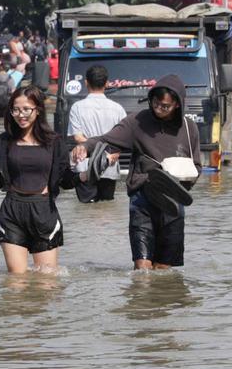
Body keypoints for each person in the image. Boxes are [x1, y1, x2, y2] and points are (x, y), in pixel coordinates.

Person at [71, 75, 202, 270]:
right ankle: (140, 297)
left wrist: (185, 180)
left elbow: (197, 166)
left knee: (164, 270)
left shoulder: (189, 128)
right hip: (143, 199)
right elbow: (107, 140)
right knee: (142, 267)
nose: (159, 108)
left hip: (173, 202)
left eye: (165, 106)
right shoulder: (137, 122)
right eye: (156, 103)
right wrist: (85, 147)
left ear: (177, 105)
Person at [0, 86, 76, 273]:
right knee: (16, 281)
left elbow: (66, 181)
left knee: (46, 281)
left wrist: (84, 172)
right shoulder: (4, 141)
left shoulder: (55, 142)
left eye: (26, 109)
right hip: (12, 212)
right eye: (16, 109)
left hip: (44, 212)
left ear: (38, 110)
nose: (21, 114)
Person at [66, 65, 126, 202]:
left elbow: (78, 138)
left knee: (86, 209)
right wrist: (110, 155)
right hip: (109, 166)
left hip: (84, 166)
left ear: (86, 82)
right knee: (107, 211)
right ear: (107, 83)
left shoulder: (77, 108)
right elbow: (123, 140)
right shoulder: (118, 109)